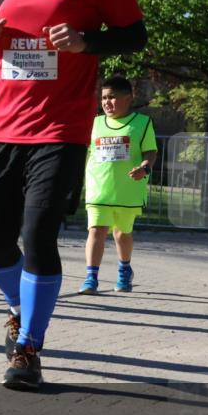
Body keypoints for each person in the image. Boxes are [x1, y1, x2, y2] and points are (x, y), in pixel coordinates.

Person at [0, 0, 146, 390]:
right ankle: (19, 307)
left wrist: (87, 42)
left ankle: (28, 347)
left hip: (59, 128)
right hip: (2, 124)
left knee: (37, 235)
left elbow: (135, 34)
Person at [78, 76, 157, 295]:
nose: (107, 102)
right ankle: (91, 278)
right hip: (98, 189)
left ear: (129, 98)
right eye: (104, 98)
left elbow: (151, 151)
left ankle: (124, 271)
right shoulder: (94, 123)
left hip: (128, 190)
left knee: (122, 234)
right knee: (96, 230)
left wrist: (144, 168)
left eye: (112, 97)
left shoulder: (142, 123)